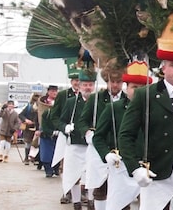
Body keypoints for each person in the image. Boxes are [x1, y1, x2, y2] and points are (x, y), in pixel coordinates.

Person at [119, 15, 173, 210]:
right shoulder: (145, 95)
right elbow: (126, 135)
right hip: (155, 171)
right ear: (164, 67)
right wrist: (134, 168)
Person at [92, 57, 152, 210]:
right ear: (127, 87)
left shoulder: (156, 110)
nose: (137, 91)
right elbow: (98, 136)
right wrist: (106, 154)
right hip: (122, 165)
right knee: (119, 204)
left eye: (141, 87)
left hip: (147, 167)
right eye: (134, 87)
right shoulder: (114, 108)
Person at [77, 59, 127, 210]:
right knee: (100, 187)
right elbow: (82, 121)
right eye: (112, 81)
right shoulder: (96, 98)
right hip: (99, 146)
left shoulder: (127, 100)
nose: (115, 85)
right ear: (107, 80)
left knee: (122, 188)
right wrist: (88, 132)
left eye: (118, 81)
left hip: (120, 148)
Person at [59, 67, 97, 210]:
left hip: (92, 144)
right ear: (79, 86)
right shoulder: (71, 102)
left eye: (90, 85)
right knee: (73, 174)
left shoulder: (98, 101)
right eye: (85, 85)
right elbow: (60, 120)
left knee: (93, 173)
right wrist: (65, 127)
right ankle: (76, 202)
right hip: (75, 143)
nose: (88, 88)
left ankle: (92, 201)